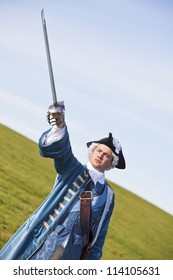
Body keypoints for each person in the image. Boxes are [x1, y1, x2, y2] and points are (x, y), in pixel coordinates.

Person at [0, 102, 126, 260]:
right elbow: (62, 151)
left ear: (111, 163)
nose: (100, 155)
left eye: (106, 155)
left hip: (70, 256)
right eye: (99, 150)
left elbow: (99, 235)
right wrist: (60, 124)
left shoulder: (108, 195)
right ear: (92, 151)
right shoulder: (72, 169)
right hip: (42, 242)